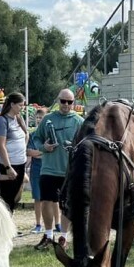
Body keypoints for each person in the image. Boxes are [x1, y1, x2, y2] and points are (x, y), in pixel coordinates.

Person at [35, 89, 83, 248]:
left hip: (69, 171)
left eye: (70, 102)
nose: (66, 105)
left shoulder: (79, 121)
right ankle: (48, 235)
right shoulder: (48, 119)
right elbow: (36, 138)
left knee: (67, 205)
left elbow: (86, 144)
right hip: (49, 169)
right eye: (63, 101)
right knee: (46, 202)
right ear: (58, 101)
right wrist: (44, 147)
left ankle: (63, 237)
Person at [0, 92, 29, 212]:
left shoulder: (18, 118)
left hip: (20, 163)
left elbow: (26, 134)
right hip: (8, 164)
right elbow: (1, 145)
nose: (22, 108)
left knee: (14, 197)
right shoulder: (2, 121)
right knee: (5, 198)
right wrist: (8, 167)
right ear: (12, 104)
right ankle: (2, 226)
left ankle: (9, 223)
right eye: (20, 105)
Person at [26, 129, 45, 235]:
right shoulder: (32, 135)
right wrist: (43, 151)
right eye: (37, 117)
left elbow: (53, 150)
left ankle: (55, 224)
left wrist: (38, 153)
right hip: (36, 169)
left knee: (52, 199)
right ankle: (38, 224)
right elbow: (29, 152)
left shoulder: (49, 133)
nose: (39, 120)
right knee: (38, 198)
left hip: (49, 168)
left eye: (41, 117)